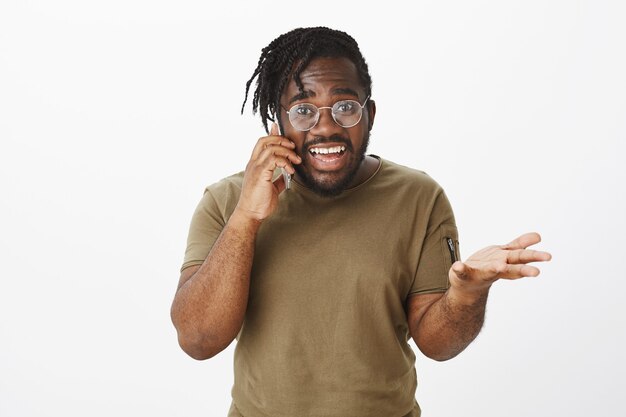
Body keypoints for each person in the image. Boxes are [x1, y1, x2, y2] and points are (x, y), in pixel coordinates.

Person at [170, 27, 551, 417]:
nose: (326, 126)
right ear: (277, 122)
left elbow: (438, 344)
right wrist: (246, 219)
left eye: (345, 107)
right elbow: (198, 341)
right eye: (303, 111)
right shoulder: (226, 201)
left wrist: (467, 294)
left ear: (368, 114)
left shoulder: (419, 198)